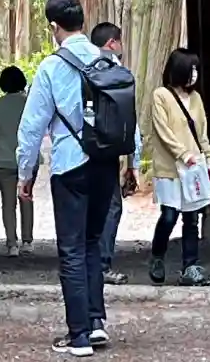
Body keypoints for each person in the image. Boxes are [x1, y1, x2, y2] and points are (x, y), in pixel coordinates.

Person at [18, 0, 128, 357]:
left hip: (70, 166)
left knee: (71, 249)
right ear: (82, 21)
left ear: (54, 26)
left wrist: (26, 172)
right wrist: (131, 161)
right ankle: (95, 322)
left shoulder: (51, 68)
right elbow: (126, 114)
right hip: (105, 164)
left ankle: (78, 336)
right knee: (93, 242)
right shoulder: (108, 60)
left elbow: (32, 128)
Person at [140, 46, 210, 286]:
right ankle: (157, 256)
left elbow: (202, 134)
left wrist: (209, 160)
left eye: (196, 70)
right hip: (169, 168)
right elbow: (163, 132)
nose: (195, 74)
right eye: (191, 69)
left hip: (193, 169)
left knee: (192, 219)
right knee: (169, 215)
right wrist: (183, 154)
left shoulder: (196, 98)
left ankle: (190, 266)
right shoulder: (161, 95)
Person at [89, 22, 129, 285]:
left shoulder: (79, 66)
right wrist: (132, 157)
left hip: (80, 148)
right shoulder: (117, 71)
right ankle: (102, 264)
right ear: (112, 43)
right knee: (111, 206)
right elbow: (127, 114)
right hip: (108, 149)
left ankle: (84, 264)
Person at [0, 65, 35, 255]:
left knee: (8, 202)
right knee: (26, 197)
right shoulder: (30, 103)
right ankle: (27, 240)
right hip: (28, 156)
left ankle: (12, 243)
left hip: (4, 157)